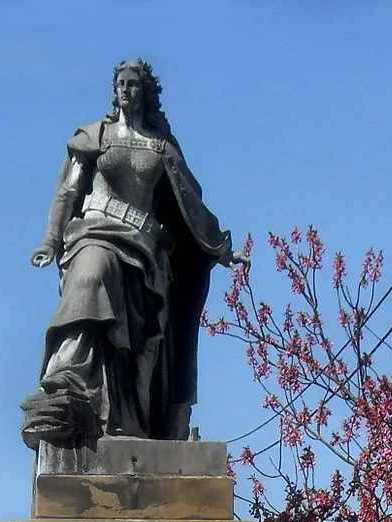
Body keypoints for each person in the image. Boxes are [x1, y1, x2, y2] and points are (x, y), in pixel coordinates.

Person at [22, 58, 238, 448]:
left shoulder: (162, 145)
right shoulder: (95, 136)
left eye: (133, 84)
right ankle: (68, 381)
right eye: (120, 83)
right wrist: (51, 240)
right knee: (90, 276)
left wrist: (219, 247)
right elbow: (69, 192)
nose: (126, 89)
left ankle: (125, 422)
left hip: (146, 249)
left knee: (137, 343)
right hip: (95, 232)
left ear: (145, 92)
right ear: (114, 89)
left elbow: (189, 203)